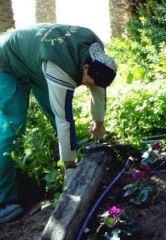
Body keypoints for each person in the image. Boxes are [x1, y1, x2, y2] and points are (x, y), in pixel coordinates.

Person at [0, 24, 117, 224]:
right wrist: (70, 168)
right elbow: (64, 119)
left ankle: (73, 150)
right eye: (88, 81)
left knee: (58, 114)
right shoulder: (60, 67)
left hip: (36, 60)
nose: (88, 86)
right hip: (7, 63)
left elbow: (98, 90)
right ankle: (4, 199)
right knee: (12, 126)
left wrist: (99, 125)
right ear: (86, 67)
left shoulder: (97, 54)